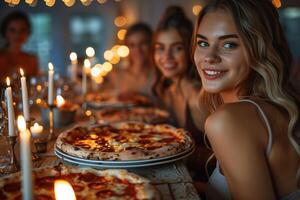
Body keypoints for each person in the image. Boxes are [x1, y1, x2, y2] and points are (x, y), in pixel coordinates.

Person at [192, 0, 300, 199]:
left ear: (259, 50)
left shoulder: (228, 120)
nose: (209, 57)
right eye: (203, 43)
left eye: (229, 44)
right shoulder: (271, 108)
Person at [153, 6, 210, 182]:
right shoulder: (166, 91)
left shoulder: (199, 97)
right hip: (180, 178)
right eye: (160, 48)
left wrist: (176, 153)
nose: (166, 56)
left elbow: (227, 161)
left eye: (176, 48)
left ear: (190, 51)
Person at [109, 22, 155, 97]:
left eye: (143, 43)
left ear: (151, 44)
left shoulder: (158, 77)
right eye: (132, 45)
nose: (137, 50)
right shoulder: (116, 76)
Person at [0, 11, 39, 87]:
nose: (17, 35)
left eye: (22, 30)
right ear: (5, 32)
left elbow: (35, 86)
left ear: (28, 33)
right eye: (12, 30)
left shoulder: (32, 59)